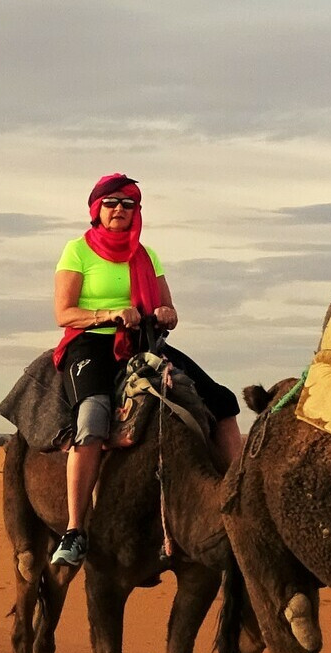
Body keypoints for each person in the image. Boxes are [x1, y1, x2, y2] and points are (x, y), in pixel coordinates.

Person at [44, 173, 246, 567]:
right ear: (96, 209)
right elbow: (63, 312)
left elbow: (168, 309)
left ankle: (238, 498)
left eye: (128, 204)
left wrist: (166, 313)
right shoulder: (77, 251)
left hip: (144, 342)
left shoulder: (146, 254)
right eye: (111, 203)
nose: (119, 210)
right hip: (91, 342)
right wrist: (108, 313)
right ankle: (74, 529)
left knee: (222, 400)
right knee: (92, 416)